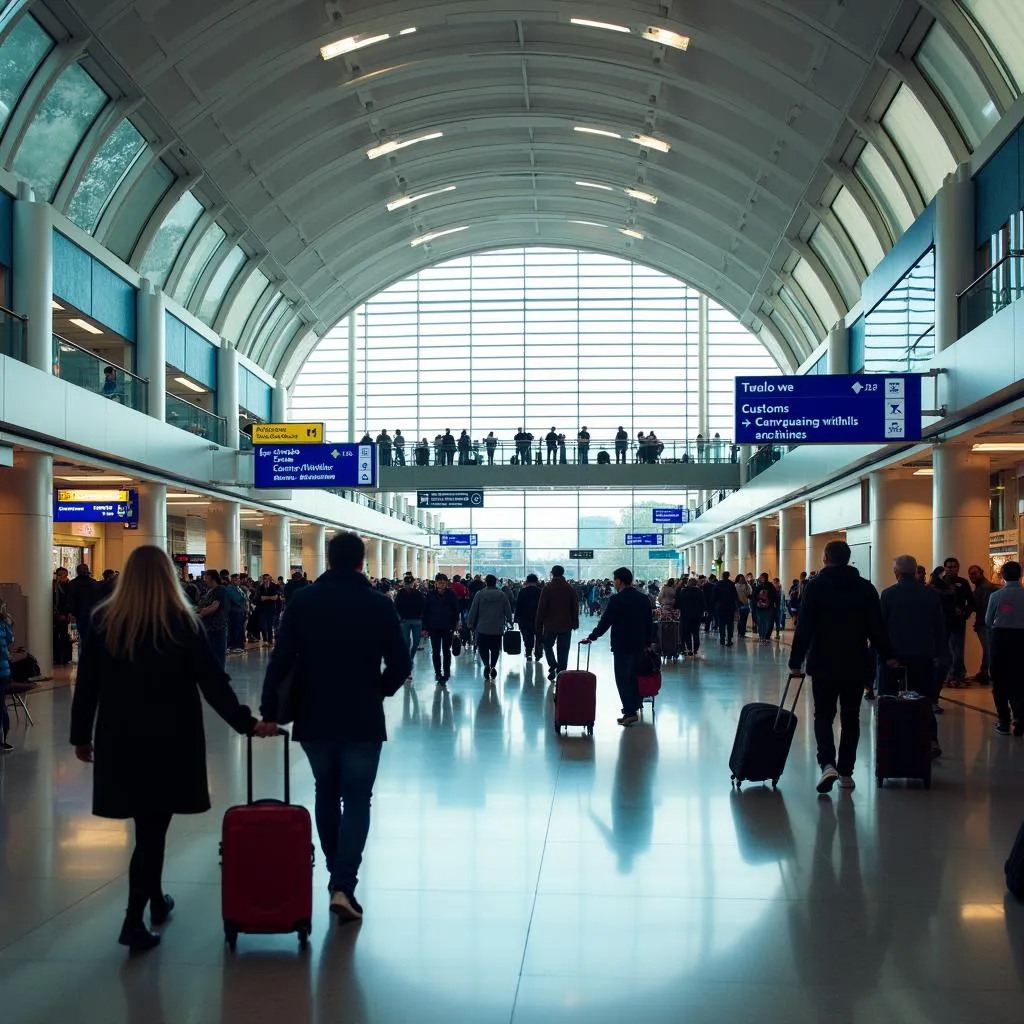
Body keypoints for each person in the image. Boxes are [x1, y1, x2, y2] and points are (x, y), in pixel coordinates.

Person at [70, 546, 266, 951]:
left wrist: (80, 736)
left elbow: (87, 684)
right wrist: (247, 724)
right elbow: (212, 683)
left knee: (147, 827)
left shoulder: (105, 622)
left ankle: (156, 902)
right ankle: (132, 921)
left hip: (119, 738)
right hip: (170, 739)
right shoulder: (180, 622)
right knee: (152, 830)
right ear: (168, 578)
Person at [259, 532, 409, 922]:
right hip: (362, 715)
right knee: (358, 798)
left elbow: (280, 657)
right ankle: (344, 883)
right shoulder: (378, 603)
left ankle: (334, 874)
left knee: (325, 790)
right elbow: (401, 664)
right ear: (362, 562)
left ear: (328, 559)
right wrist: (378, 690)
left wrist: (268, 707)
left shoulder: (303, 600)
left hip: (315, 713)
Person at [789, 540, 894, 794]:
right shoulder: (865, 588)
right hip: (855, 662)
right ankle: (846, 772)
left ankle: (827, 764)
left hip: (823, 662)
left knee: (823, 716)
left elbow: (804, 627)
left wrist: (795, 662)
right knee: (851, 718)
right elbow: (876, 627)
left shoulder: (815, 588)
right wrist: (888, 655)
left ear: (825, 558)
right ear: (848, 559)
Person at [879, 554, 946, 758]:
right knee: (924, 699)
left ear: (896, 573)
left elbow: (881, 628)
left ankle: (891, 739)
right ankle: (931, 739)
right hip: (923, 654)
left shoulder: (888, 594)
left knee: (889, 699)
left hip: (894, 656)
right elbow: (939, 626)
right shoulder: (930, 594)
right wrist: (941, 653)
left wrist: (883, 654)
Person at [582, 567, 654, 727]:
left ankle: (629, 712)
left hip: (622, 645)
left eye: (615, 580)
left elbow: (606, 621)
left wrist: (593, 636)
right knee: (636, 677)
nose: (614, 583)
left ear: (620, 580)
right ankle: (634, 707)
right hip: (640, 645)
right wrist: (649, 643)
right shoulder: (644, 599)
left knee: (622, 679)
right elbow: (650, 623)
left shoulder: (617, 599)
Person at [985, 560, 1024, 736]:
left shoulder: (996, 596)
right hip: (1021, 639)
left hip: (1000, 638)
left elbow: (987, 620)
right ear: (1020, 575)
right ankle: (1020, 719)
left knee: (999, 681)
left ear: (1003, 575)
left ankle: (1003, 721)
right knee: (1019, 680)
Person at [536, 565, 580, 682]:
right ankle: (561, 673)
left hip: (550, 624)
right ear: (563, 573)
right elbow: (575, 606)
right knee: (564, 649)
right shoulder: (569, 588)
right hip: (566, 624)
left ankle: (552, 663)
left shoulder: (547, 588)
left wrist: (539, 622)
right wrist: (575, 621)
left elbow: (541, 608)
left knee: (547, 645)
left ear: (552, 573)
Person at [467, 574, 512, 679]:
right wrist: (509, 621)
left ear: (485, 582)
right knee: (495, 648)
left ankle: (486, 664)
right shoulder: (502, 595)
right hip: (497, 627)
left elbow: (473, 610)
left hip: (482, 627)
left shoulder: (480, 594)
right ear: (495, 582)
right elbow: (508, 609)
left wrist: (470, 622)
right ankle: (493, 666)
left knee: (483, 648)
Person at [940, 556, 974, 686]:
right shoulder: (939, 583)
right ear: (945, 568)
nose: (952, 569)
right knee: (945, 650)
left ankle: (957, 676)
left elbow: (971, 601)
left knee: (958, 650)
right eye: (949, 567)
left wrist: (965, 612)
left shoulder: (963, 582)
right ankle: (946, 676)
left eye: (955, 567)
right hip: (943, 622)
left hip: (959, 621)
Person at [423, 573, 459, 683]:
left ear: (446, 583)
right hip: (434, 627)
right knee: (435, 651)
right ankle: (438, 672)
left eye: (443, 582)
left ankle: (446, 671)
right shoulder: (430, 594)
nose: (441, 585)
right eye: (439, 582)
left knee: (446, 650)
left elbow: (455, 610)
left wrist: (456, 623)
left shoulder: (451, 594)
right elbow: (425, 611)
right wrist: (425, 627)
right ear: (436, 583)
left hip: (447, 626)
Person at [967, 564, 996, 685]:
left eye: (974, 573)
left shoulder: (985, 587)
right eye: (970, 573)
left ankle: (985, 673)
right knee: (988, 649)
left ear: (981, 572)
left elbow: (983, 607)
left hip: (986, 624)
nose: (972, 576)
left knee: (988, 650)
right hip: (984, 623)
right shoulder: (982, 587)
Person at [394, 574, 426, 677]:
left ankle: (410, 659)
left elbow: (423, 608)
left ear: (413, 584)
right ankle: (408, 664)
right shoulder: (400, 593)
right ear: (404, 584)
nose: (408, 585)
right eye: (407, 583)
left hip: (417, 621)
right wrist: (399, 619)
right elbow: (396, 606)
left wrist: (423, 623)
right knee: (407, 642)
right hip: (405, 621)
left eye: (410, 583)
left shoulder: (418, 594)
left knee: (416, 643)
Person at [197, 568, 229, 668]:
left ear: (212, 578)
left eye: (206, 577)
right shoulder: (210, 591)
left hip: (217, 627)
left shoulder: (220, 590)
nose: (204, 580)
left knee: (217, 654)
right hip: (208, 627)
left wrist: (200, 614)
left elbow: (214, 607)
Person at [66, 563, 101, 651]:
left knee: (81, 637)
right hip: (93, 614)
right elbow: (98, 599)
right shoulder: (94, 583)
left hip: (79, 614)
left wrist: (71, 612)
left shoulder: (72, 583)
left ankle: (82, 658)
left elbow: (70, 599)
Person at [514, 573, 543, 661]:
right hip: (538, 618)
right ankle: (538, 654)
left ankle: (528, 653)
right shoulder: (540, 591)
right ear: (536, 581)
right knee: (538, 635)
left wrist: (516, 618)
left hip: (524, 618)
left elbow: (518, 605)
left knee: (527, 635)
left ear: (527, 581)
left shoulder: (522, 591)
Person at [677, 577, 705, 656]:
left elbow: (680, 603)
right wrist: (702, 612)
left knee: (687, 632)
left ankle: (689, 648)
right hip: (697, 615)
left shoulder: (684, 591)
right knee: (696, 632)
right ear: (695, 584)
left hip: (686, 615)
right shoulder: (700, 592)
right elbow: (703, 604)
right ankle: (695, 649)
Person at [751, 572, 777, 644]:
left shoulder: (767, 586)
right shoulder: (761, 586)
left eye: (761, 577)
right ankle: (763, 636)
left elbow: (773, 596)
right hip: (762, 608)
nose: (760, 578)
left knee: (764, 622)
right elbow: (754, 596)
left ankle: (764, 636)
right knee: (763, 622)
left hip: (765, 608)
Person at [225, 573, 249, 654]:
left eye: (238, 579)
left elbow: (244, 597)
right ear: (232, 580)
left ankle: (238, 645)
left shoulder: (238, 588)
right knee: (235, 628)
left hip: (240, 611)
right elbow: (237, 599)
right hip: (234, 612)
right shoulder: (230, 588)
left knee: (239, 628)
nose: (238, 581)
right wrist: (245, 596)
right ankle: (234, 646)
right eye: (236, 579)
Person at [0, 603, 12, 752]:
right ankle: (4, 739)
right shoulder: (4, 624)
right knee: (1, 704)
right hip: (4, 671)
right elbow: (10, 639)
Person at [714, 571, 738, 646]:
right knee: (730, 624)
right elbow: (735, 596)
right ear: (728, 576)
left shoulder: (718, 584)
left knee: (721, 624)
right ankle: (729, 639)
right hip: (730, 607)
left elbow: (715, 596)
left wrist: (714, 604)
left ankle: (722, 639)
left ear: (722, 576)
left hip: (721, 606)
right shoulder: (731, 584)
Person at [257, 573, 280, 645]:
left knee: (270, 625)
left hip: (271, 609)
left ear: (270, 579)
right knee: (263, 625)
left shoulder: (273, 587)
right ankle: (265, 640)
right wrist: (269, 598)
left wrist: (266, 598)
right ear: (263, 579)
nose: (266, 581)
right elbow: (259, 597)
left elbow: (275, 597)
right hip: (262, 609)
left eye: (267, 579)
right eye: (264, 579)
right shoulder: (260, 587)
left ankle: (270, 640)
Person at [735, 573, 752, 638]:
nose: (741, 580)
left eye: (742, 579)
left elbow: (749, 593)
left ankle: (742, 633)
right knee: (740, 620)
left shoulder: (747, 585)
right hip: (739, 605)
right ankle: (740, 633)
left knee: (744, 620)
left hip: (746, 605)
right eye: (740, 579)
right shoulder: (735, 586)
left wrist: (746, 586)